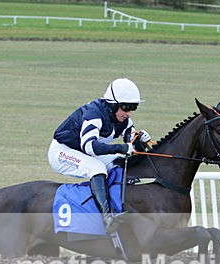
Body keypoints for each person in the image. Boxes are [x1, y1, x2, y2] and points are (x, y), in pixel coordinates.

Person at [48, 78, 151, 234]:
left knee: (119, 162)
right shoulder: (93, 114)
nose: (129, 112)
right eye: (126, 107)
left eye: (133, 107)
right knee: (97, 168)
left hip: (82, 151)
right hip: (63, 152)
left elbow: (132, 143)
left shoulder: (123, 119)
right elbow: (89, 147)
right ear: (113, 105)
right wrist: (122, 147)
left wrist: (139, 140)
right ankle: (106, 217)